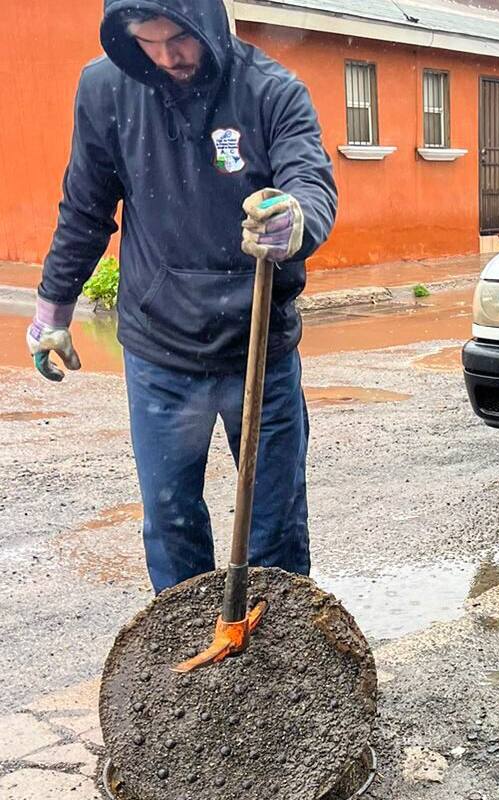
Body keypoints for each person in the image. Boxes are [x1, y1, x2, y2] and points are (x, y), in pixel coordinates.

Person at [25, 0, 337, 593]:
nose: (168, 57)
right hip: (160, 350)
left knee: (275, 530)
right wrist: (51, 312)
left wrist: (296, 219)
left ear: (207, 21)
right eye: (149, 41)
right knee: (171, 524)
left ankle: (276, 643)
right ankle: (182, 644)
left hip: (258, 348)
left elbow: (310, 179)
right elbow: (86, 207)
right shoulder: (106, 90)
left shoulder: (272, 91)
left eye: (179, 38)